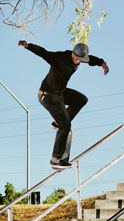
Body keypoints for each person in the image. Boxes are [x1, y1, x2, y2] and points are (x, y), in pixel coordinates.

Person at [18, 40, 110, 170]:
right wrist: (28, 46)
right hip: (47, 96)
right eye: (76, 58)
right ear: (73, 53)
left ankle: (57, 123)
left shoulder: (82, 58)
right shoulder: (59, 58)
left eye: (80, 60)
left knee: (81, 99)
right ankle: (55, 159)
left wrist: (102, 63)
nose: (78, 61)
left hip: (59, 93)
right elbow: (44, 53)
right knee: (66, 125)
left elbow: (90, 60)